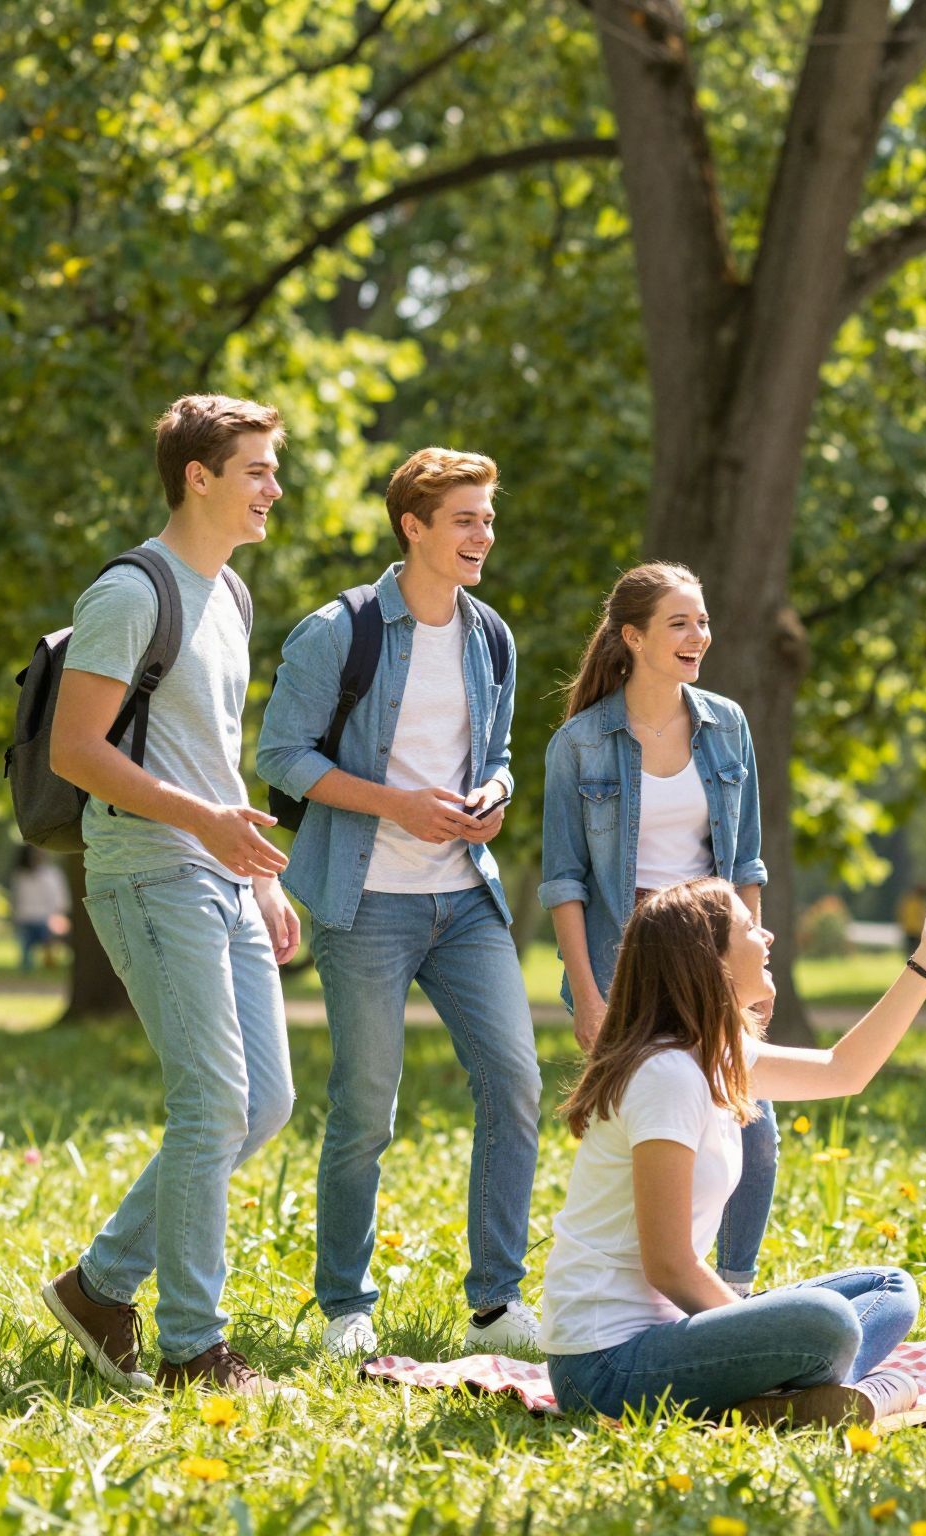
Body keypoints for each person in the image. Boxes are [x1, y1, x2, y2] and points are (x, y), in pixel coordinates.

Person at [40, 394, 299, 1397]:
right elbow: (77, 750)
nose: (273, 488)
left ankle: (101, 1286)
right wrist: (204, 828)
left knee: (262, 1102)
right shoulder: (132, 592)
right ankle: (197, 1349)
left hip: (217, 872)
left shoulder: (229, 595)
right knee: (212, 1107)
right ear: (200, 475)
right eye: (258, 470)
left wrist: (256, 874)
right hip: (147, 872)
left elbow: (214, 757)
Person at [256, 447, 539, 1359]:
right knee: (368, 1106)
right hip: (365, 900)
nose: (482, 535)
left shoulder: (491, 636)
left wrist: (492, 796)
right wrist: (398, 805)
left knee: (517, 1084)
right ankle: (346, 1305)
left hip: (464, 902)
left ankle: (497, 1303)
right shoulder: (338, 631)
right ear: (413, 527)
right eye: (465, 519)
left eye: (488, 519)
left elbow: (494, 752)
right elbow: (283, 757)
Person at [541, 878, 926, 1420]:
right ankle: (807, 1391)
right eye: (746, 927)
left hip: (667, 1337)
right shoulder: (665, 1075)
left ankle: (788, 1395)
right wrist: (753, 1332)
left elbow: (844, 1070)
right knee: (825, 1322)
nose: (767, 935)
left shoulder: (713, 1054)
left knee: (890, 1288)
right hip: (605, 1368)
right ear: (708, 960)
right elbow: (668, 1266)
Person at [540, 563, 781, 1296]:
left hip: (711, 950)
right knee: (646, 1126)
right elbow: (565, 881)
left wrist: (752, 968)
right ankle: (643, 1288)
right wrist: (586, 993)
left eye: (702, 621)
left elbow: (746, 863)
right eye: (680, 623)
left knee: (753, 1128)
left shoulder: (726, 724)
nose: (698, 636)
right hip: (628, 957)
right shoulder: (579, 744)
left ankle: (730, 1293)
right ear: (632, 637)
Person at [10, 846, 72, 970]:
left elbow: (60, 900)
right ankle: (27, 966)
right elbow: (17, 900)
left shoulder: (52, 874)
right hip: (26, 918)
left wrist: (58, 916)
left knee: (50, 935)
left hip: (46, 919)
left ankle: (48, 958)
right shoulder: (20, 876)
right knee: (26, 946)